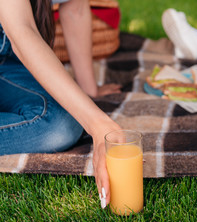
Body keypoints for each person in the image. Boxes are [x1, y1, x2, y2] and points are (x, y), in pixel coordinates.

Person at [0, 0, 119, 209]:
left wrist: (88, 89)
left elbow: (75, 7)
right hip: (16, 38)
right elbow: (20, 29)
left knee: (62, 123)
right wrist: (99, 124)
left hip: (10, 63)